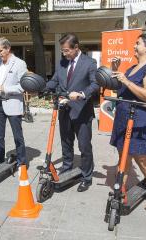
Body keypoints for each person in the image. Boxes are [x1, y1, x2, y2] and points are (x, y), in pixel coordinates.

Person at [110, 34, 146, 210]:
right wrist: (114, 72)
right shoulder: (131, 68)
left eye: (138, 43)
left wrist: (125, 80)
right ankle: (120, 192)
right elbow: (122, 90)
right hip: (124, 119)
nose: (134, 46)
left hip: (141, 121)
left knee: (142, 158)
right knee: (123, 156)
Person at [46, 33, 99, 192]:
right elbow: (54, 81)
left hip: (82, 111)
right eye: (63, 51)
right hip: (64, 109)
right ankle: (67, 167)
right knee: (66, 142)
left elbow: (95, 84)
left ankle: (86, 177)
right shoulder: (62, 63)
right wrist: (39, 87)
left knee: (84, 146)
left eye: (67, 50)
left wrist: (82, 94)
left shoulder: (90, 63)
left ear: (76, 47)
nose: (64, 54)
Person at [0, 37, 27, 166]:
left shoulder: (19, 63)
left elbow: (24, 86)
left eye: (0, 51)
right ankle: (0, 161)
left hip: (13, 104)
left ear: (8, 49)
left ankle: (22, 163)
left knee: (17, 137)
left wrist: (5, 89)